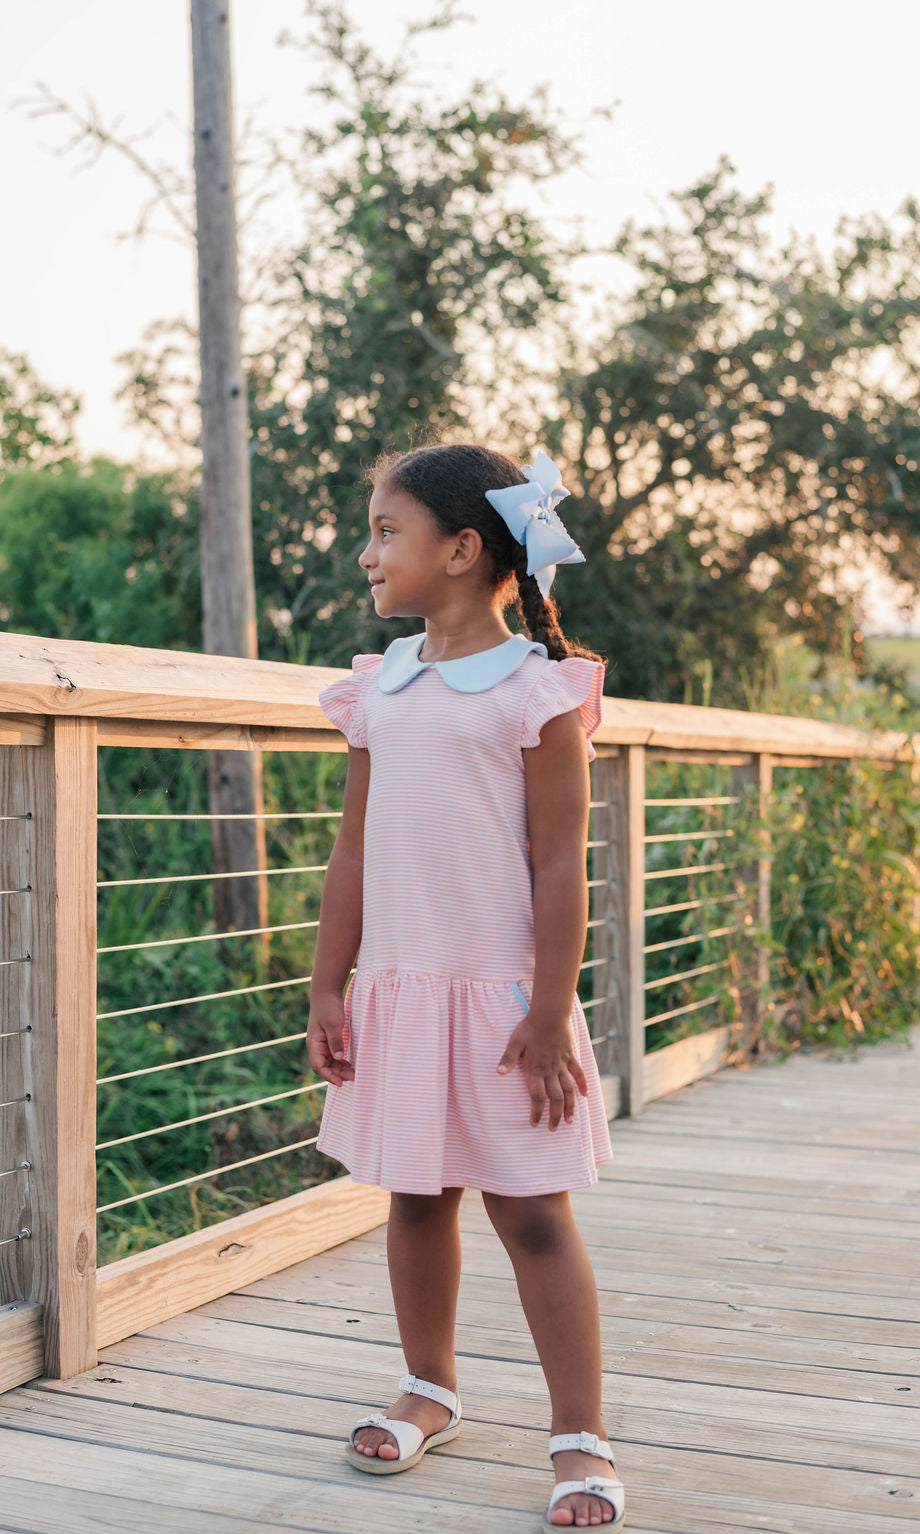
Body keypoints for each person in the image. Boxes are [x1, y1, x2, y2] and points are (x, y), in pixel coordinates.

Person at [307, 443, 624, 1531]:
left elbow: (560, 864)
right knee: (415, 1195)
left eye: (384, 531)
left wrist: (548, 1011)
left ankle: (579, 1433)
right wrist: (329, 985)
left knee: (531, 1213)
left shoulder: (535, 694)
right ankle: (428, 1386)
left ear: (460, 549)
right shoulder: (381, 687)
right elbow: (352, 851)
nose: (366, 554)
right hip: (401, 992)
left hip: (505, 1005)